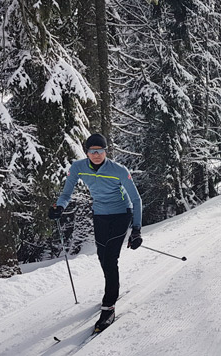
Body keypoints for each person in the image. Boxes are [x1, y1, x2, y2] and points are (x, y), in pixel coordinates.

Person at [48, 133, 143, 332]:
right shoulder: (78, 168)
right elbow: (67, 192)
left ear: (106, 151)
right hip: (100, 215)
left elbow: (136, 200)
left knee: (110, 258)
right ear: (87, 152)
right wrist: (60, 206)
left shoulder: (119, 170)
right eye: (92, 151)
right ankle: (112, 288)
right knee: (102, 257)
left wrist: (136, 229)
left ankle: (108, 306)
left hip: (121, 214)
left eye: (100, 151)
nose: (97, 154)